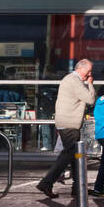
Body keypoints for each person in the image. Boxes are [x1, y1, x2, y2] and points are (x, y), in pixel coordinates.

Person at [35, 58, 95, 199]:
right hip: (69, 124)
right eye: (88, 71)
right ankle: (47, 182)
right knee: (69, 154)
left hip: (68, 122)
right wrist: (90, 85)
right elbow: (90, 99)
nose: (90, 74)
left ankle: (78, 187)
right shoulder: (74, 81)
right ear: (80, 68)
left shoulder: (72, 80)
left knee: (75, 156)